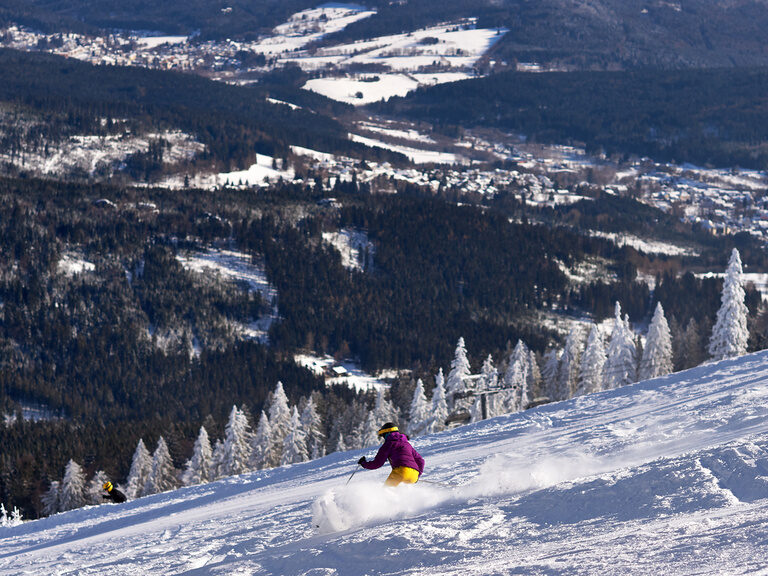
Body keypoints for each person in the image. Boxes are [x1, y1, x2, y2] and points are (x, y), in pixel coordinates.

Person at [357, 422, 425, 486]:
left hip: (401, 472)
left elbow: (377, 463)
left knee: (385, 493)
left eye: (383, 435)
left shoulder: (388, 444)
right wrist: (417, 476)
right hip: (414, 475)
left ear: (387, 433)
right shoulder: (407, 444)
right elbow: (421, 461)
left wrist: (364, 463)